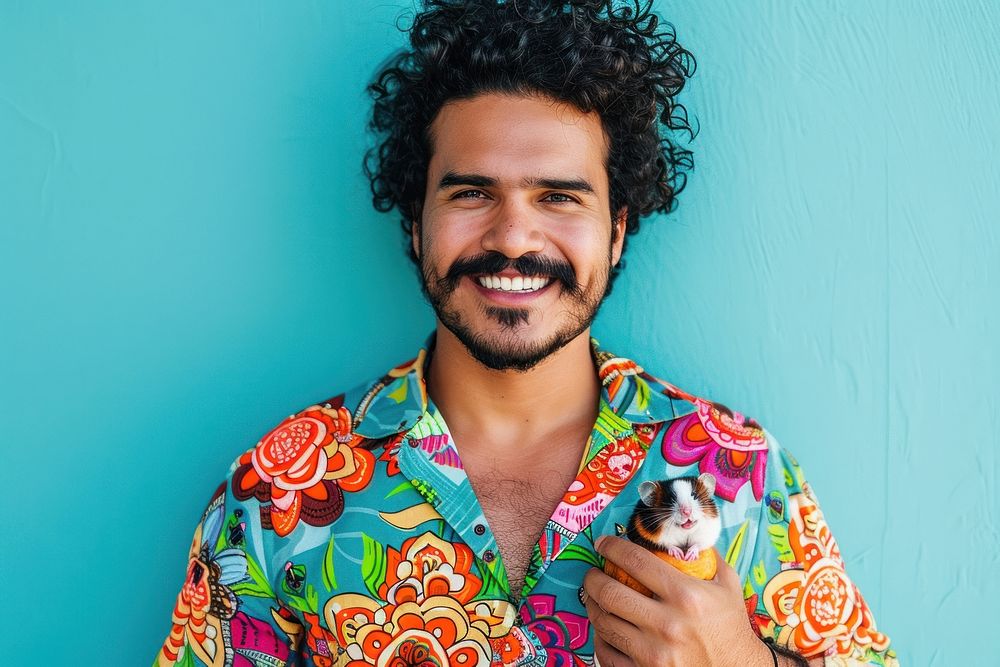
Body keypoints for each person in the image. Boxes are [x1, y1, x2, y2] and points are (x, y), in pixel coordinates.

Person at [154, 1, 896, 665]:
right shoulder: (278, 491)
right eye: (472, 192)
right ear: (416, 223)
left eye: (559, 196)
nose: (513, 236)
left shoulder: (744, 475)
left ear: (616, 231)